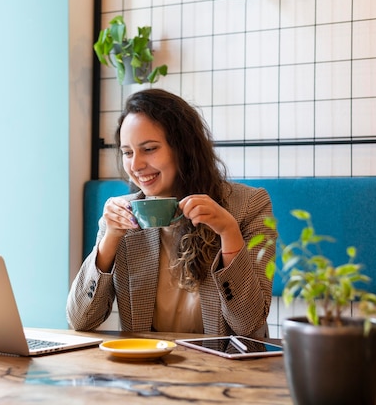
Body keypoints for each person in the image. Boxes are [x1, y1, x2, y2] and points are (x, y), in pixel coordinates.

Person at [66, 88, 277, 338]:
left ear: (184, 149)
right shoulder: (121, 216)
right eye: (127, 152)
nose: (135, 165)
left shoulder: (249, 205)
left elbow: (248, 324)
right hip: (148, 367)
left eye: (149, 148)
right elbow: (80, 320)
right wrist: (109, 240)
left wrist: (229, 232)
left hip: (223, 369)